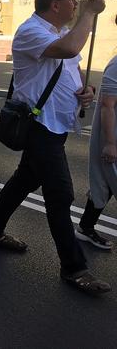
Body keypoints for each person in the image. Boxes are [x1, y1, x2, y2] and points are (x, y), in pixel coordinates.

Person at [0, 0, 111, 295]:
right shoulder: (31, 31)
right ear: (56, 4)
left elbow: (70, 65)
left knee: (24, 179)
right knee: (60, 195)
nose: (76, 3)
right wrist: (91, 13)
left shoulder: (60, 32)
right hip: (39, 127)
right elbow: (69, 50)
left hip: (55, 124)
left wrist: (84, 91)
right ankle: (74, 268)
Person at [76, 18, 117, 251]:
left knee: (104, 184)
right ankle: (85, 228)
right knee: (106, 181)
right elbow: (107, 106)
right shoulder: (116, 64)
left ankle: (85, 227)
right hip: (112, 135)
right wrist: (110, 144)